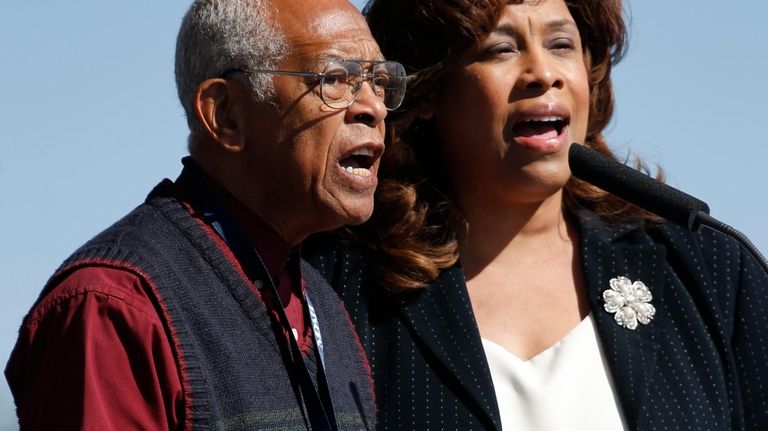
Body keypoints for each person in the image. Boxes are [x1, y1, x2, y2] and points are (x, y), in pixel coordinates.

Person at [305, 0, 768, 429]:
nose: (543, 73)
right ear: (428, 88)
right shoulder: (338, 282)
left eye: (561, 44)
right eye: (501, 49)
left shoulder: (711, 268)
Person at [5, 0, 408, 429]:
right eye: (335, 79)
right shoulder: (115, 309)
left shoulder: (325, 312)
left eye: (379, 82)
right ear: (225, 114)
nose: (374, 108)